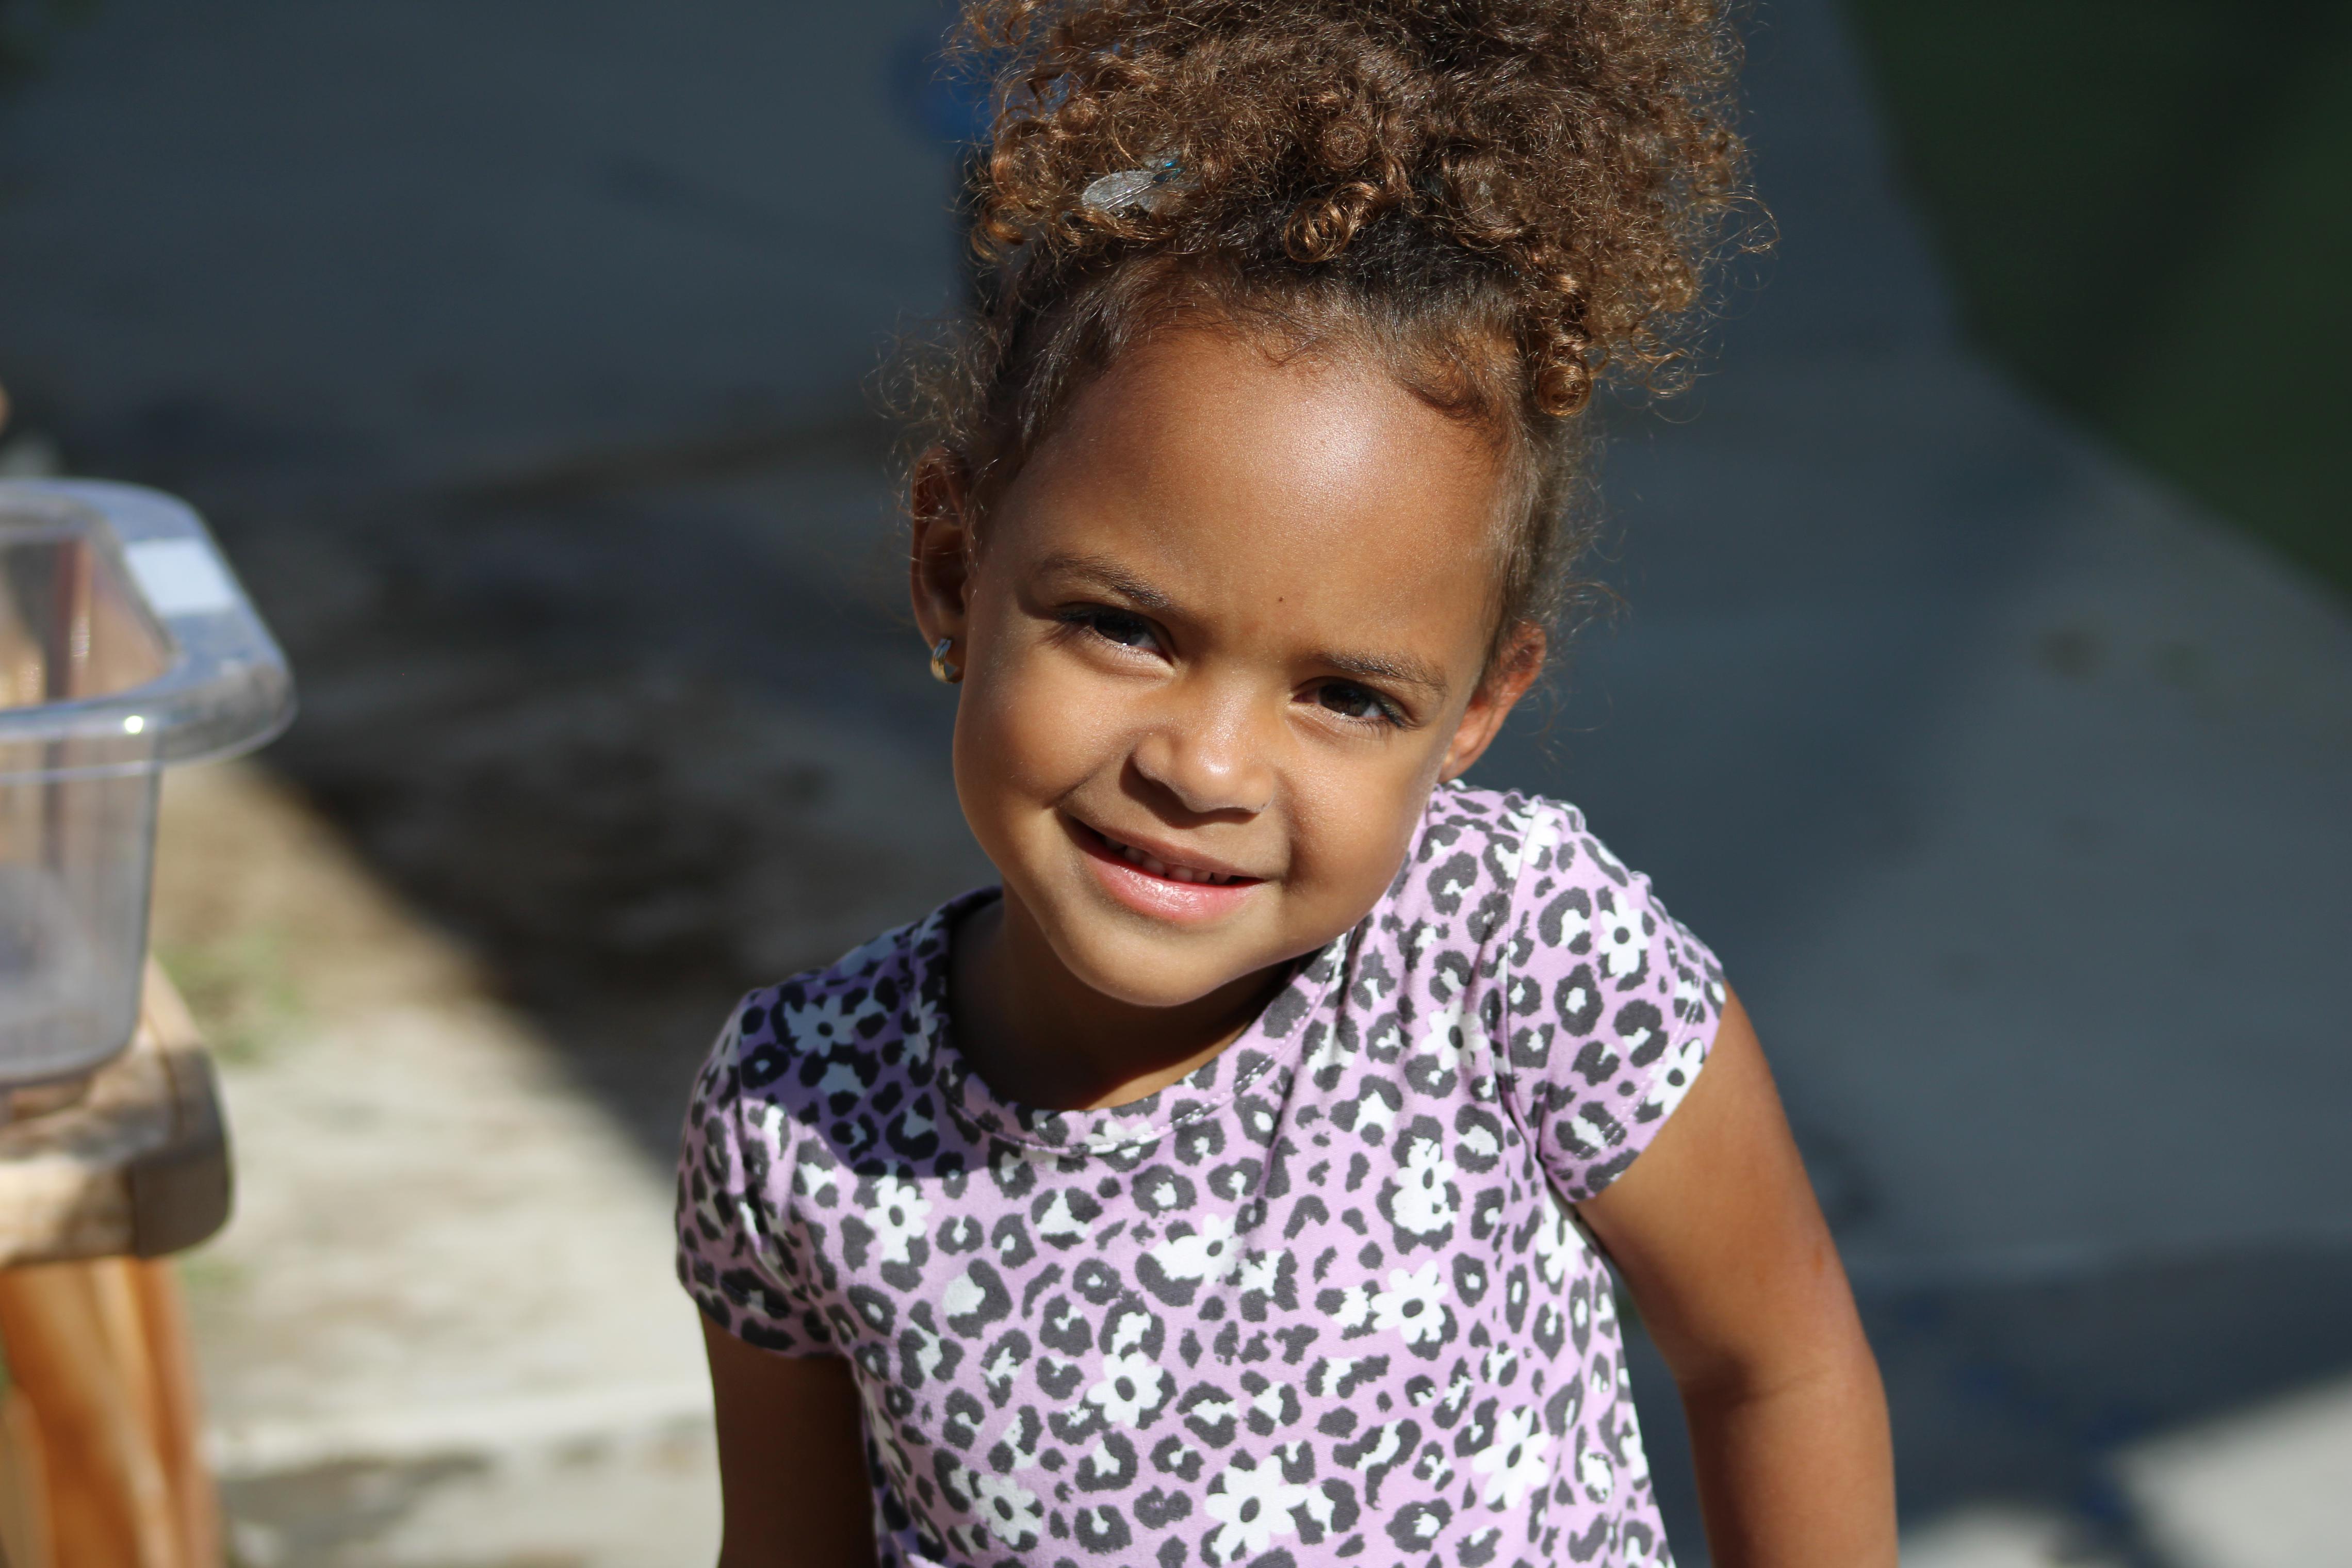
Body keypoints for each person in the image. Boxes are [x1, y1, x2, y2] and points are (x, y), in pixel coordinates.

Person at [677, 1, 1896, 1562]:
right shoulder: (798, 1121)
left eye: (1347, 696)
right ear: (950, 566)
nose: (1205, 765)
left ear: (1474, 712)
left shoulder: (1513, 948)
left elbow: (1775, 1362)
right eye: (1124, 627)